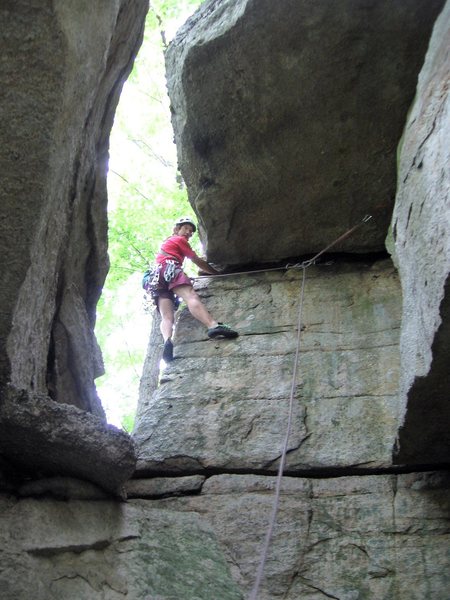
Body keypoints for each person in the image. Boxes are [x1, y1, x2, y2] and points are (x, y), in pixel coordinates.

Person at [150, 216, 238, 362]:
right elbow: (196, 261)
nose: (188, 233)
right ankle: (213, 325)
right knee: (191, 296)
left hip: (157, 277)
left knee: (166, 315)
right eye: (185, 228)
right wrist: (216, 273)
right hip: (171, 269)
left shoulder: (166, 243)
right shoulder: (179, 240)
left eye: (191, 232)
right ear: (177, 229)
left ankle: (167, 340)